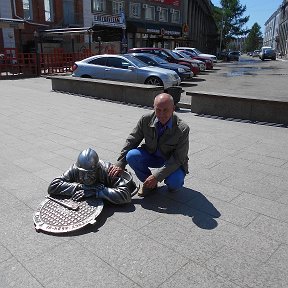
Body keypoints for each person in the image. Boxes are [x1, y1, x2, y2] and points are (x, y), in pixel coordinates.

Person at [108, 93, 189, 197]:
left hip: (170, 161)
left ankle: (157, 181)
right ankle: (149, 184)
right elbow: (132, 140)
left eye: (166, 110)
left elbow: (178, 158)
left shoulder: (182, 129)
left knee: (175, 182)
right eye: (158, 110)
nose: (161, 114)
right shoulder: (146, 119)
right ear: (153, 107)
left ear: (173, 108)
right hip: (152, 155)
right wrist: (120, 163)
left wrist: (156, 176)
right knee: (132, 156)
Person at [48, 148, 135, 204]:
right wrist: (82, 187)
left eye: (90, 173)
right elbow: (53, 186)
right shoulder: (75, 168)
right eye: (82, 173)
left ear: (97, 169)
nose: (86, 178)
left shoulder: (108, 170)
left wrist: (95, 192)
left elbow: (125, 195)